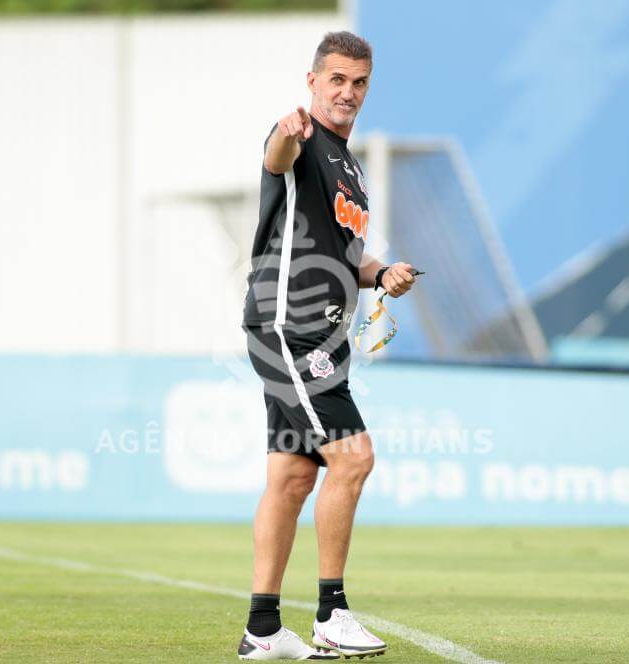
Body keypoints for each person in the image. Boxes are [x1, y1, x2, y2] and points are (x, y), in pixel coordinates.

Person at [237, 31, 418, 661]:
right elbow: (277, 156)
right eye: (336, 79)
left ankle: (262, 630)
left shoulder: (350, 165)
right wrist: (287, 131)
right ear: (312, 80)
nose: (348, 92)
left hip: (323, 334)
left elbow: (347, 254)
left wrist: (382, 272)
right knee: (354, 458)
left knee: (292, 478)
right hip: (290, 326)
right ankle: (331, 614)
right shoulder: (302, 137)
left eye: (359, 81)